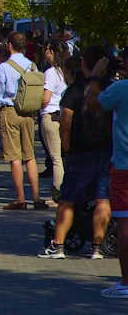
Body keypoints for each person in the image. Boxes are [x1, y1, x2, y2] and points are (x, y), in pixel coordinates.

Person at [40, 48, 111, 260]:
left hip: (81, 150)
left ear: (83, 65)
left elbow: (66, 122)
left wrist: (67, 147)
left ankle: (58, 245)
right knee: (102, 198)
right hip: (107, 150)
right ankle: (97, 247)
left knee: (68, 198)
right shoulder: (111, 89)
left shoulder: (76, 90)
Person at [85, 52, 128, 297]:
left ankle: (126, 281)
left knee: (125, 223)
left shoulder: (121, 89)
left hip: (123, 164)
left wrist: (95, 78)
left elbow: (93, 105)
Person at [0, 30, 44, 210]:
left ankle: (20, 199)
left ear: (9, 45)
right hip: (29, 113)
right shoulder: (32, 65)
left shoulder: (3, 67)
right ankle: (37, 197)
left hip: (10, 111)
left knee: (15, 156)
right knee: (30, 156)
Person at [39, 40, 68, 201]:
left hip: (50, 114)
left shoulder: (51, 73)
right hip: (62, 115)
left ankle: (58, 195)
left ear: (51, 52)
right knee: (62, 157)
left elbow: (45, 98)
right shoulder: (65, 71)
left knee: (56, 159)